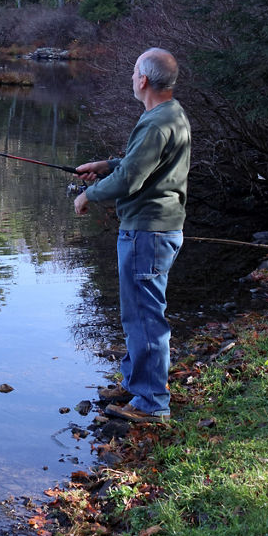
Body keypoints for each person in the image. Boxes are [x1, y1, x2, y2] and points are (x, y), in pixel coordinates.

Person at [73, 48, 190, 423]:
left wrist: (89, 194)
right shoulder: (169, 115)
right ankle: (136, 382)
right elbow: (137, 164)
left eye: (133, 71)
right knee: (136, 313)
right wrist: (105, 165)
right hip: (154, 229)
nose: (131, 77)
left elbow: (130, 180)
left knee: (144, 317)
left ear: (143, 80)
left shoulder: (156, 122)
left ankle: (152, 403)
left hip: (148, 232)